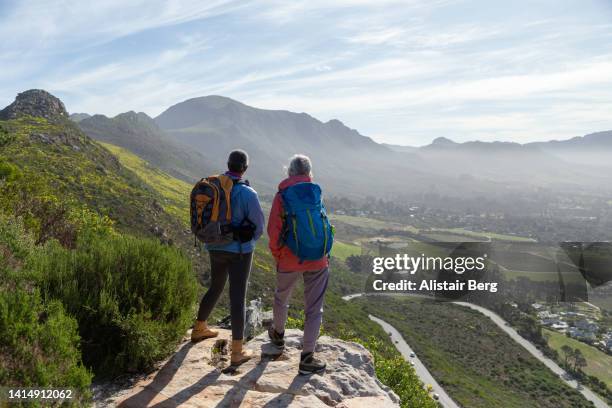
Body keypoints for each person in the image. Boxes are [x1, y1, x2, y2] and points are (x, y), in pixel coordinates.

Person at [191, 149, 265, 366]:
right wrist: (248, 241)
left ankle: (199, 328)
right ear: (245, 168)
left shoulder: (214, 186)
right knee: (238, 296)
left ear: (228, 164)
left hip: (214, 246)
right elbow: (259, 227)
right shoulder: (248, 193)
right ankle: (237, 352)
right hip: (240, 251)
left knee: (215, 286)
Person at [267, 154, 330, 375]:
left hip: (289, 258)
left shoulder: (282, 195)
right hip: (318, 259)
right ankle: (307, 358)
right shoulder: (316, 193)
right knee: (314, 309)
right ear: (309, 172)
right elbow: (323, 225)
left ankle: (278, 337)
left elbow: (274, 232)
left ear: (290, 172)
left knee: (281, 298)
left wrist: (279, 255)